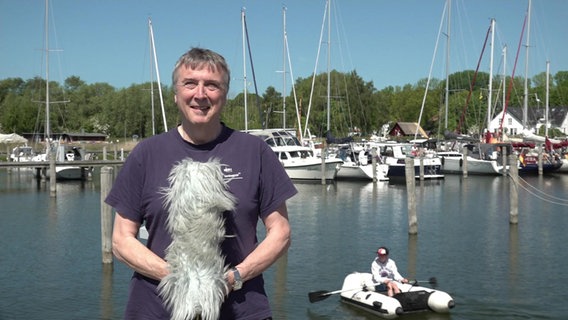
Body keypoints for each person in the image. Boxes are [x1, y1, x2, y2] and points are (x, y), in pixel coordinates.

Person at [106, 47, 297, 320]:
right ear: (175, 94)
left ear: (225, 95)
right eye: (190, 83)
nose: (200, 94)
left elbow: (281, 233)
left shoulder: (255, 151)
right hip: (155, 310)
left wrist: (231, 279)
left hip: (243, 310)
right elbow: (121, 240)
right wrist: (180, 279)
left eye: (212, 85)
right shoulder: (146, 154)